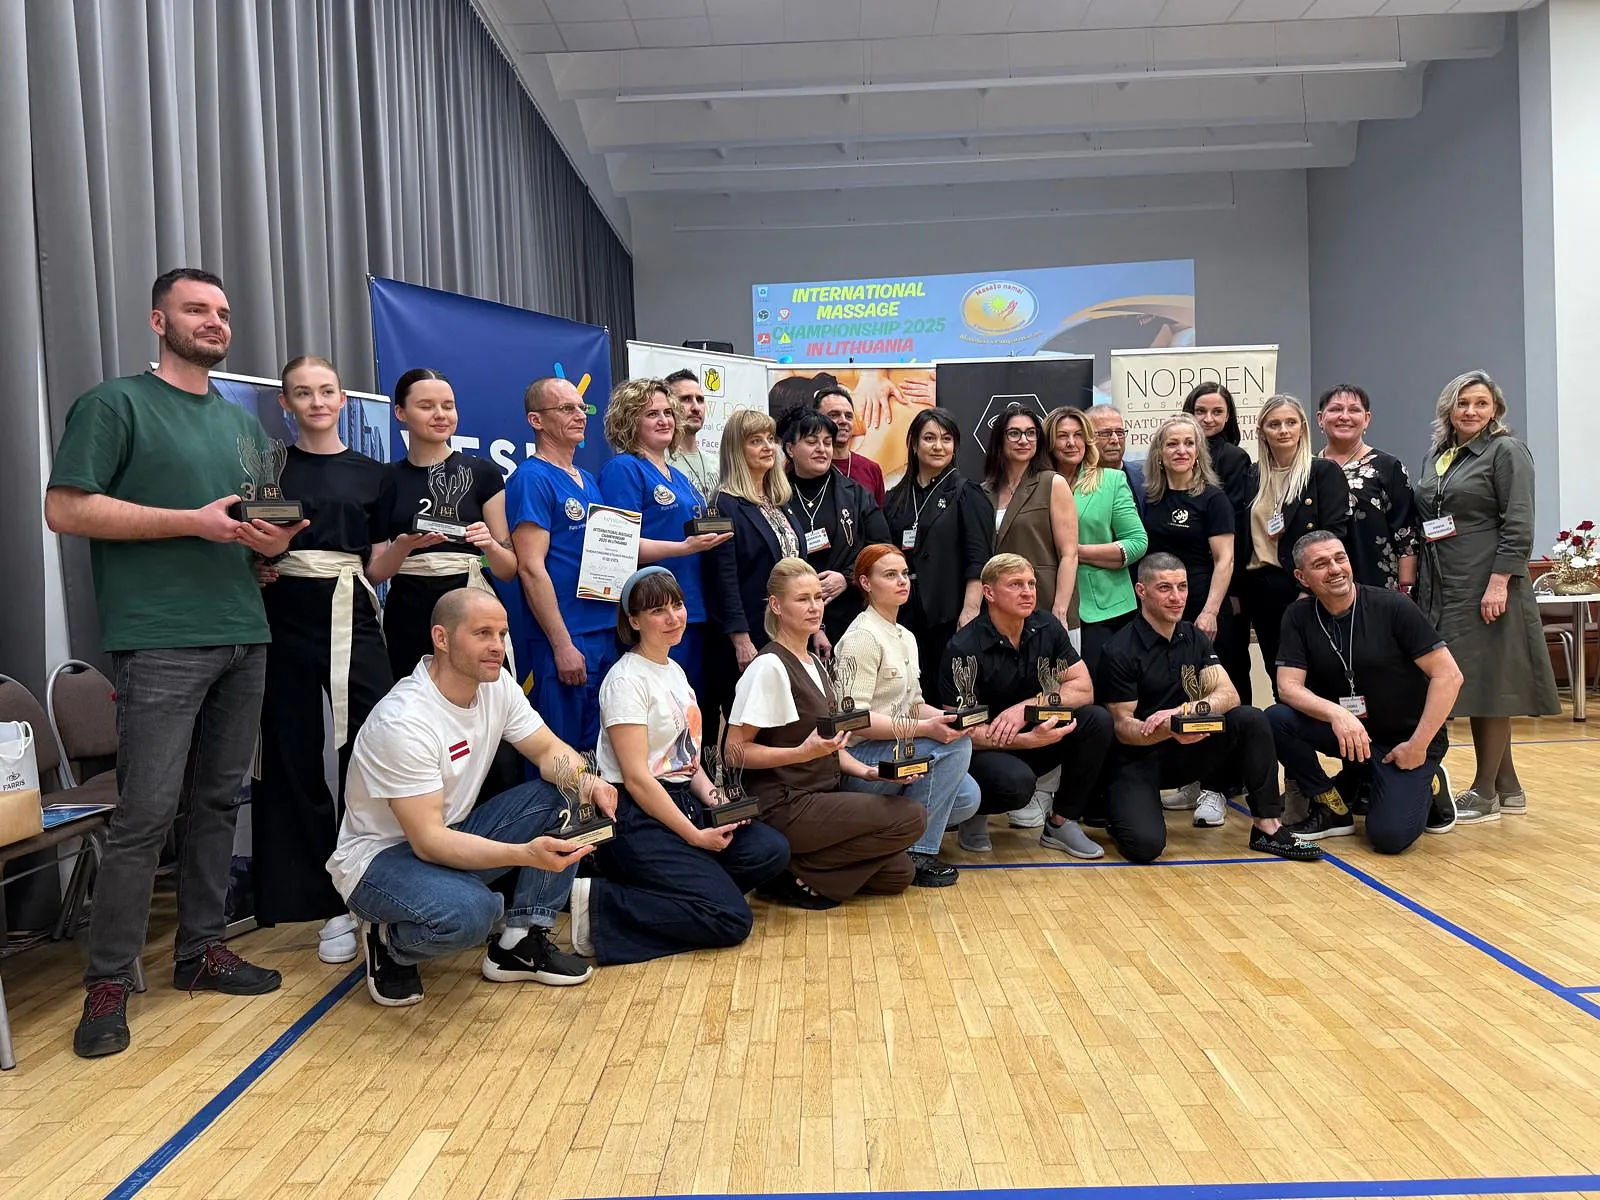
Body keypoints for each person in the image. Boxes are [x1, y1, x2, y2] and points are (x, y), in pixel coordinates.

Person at [45, 267, 308, 1058]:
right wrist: (190, 522)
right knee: (145, 814)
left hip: (243, 628)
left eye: (222, 311)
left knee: (219, 803)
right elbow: (65, 507)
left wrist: (267, 548)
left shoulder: (243, 427)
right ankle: (109, 982)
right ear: (159, 321)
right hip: (160, 635)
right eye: (197, 310)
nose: (215, 321)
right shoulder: (114, 404)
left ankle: (200, 951)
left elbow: (248, 527)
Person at [329, 589, 612, 1007]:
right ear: (441, 638)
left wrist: (588, 782)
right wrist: (525, 854)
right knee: (473, 914)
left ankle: (520, 943)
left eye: (502, 634)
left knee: (566, 793)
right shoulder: (403, 721)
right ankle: (389, 939)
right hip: (379, 860)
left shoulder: (497, 686)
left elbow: (547, 751)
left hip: (449, 834)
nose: (497, 646)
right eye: (483, 633)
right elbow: (429, 842)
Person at [252, 356, 391, 966]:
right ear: (285, 403)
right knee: (293, 751)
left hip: (351, 612)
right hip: (284, 614)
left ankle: (370, 883)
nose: (316, 402)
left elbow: (378, 564)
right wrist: (257, 566)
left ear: (343, 399)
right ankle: (317, 900)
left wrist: (406, 547)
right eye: (303, 393)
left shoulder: (374, 473)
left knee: (369, 747)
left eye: (326, 391)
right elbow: (249, 540)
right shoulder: (269, 469)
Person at [578, 567, 790, 963]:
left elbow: (687, 762)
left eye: (677, 605)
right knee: (731, 919)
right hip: (638, 814)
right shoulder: (625, 681)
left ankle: (690, 891)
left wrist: (718, 801)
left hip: (682, 801)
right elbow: (637, 779)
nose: (673, 617)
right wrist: (695, 837)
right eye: (657, 611)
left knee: (769, 849)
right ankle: (600, 905)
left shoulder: (674, 671)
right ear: (634, 621)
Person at [1095, 553, 1322, 864]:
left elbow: (1229, 694)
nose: (1177, 597)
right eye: (1164, 588)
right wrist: (1166, 729)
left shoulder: (1193, 636)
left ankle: (1267, 827)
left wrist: (1185, 713)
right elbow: (1123, 728)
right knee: (1144, 847)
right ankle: (1117, 810)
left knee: (1250, 719)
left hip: (1189, 749)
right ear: (1141, 591)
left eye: (1182, 587)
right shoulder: (1119, 649)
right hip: (1139, 758)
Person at [724, 559, 927, 907]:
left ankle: (802, 869)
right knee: (912, 817)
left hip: (820, 796)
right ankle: (786, 871)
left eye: (818, 597)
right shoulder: (769, 666)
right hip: (784, 803)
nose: (814, 607)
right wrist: (800, 754)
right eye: (802, 599)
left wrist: (869, 772)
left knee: (899, 873)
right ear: (776, 605)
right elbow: (733, 751)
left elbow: (828, 745)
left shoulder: (815, 661)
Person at [1416, 370, 1560, 821]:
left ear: (1495, 408)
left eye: (1481, 403)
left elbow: (1519, 522)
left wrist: (1499, 582)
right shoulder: (1439, 455)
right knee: (1478, 681)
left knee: (1491, 683)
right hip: (1446, 581)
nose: (1472, 411)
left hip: (1487, 582)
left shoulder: (1506, 451)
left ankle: (1483, 791)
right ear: (1448, 409)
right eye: (1463, 403)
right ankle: (1508, 786)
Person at [1267, 532, 1463, 850]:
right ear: (1302, 577)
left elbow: (1449, 676)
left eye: (1340, 558)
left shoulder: (1393, 606)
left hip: (1406, 741)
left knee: (1389, 838)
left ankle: (1431, 781)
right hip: (1352, 736)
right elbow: (1288, 687)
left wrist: (1419, 745)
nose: (1335, 569)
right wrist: (1337, 714)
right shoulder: (1298, 616)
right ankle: (1331, 807)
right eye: (1321, 564)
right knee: (1276, 719)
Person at [937, 555, 1115, 858]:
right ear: (989, 593)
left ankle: (1061, 822)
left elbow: (1083, 688)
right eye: (1016, 584)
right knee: (1016, 785)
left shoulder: (1047, 626)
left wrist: (1027, 708)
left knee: (1096, 720)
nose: (1028, 592)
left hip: (1038, 734)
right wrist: (1024, 740)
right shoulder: (964, 647)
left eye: (1031, 583)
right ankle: (975, 812)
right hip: (986, 750)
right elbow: (960, 731)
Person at [833, 544, 980, 886]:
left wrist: (949, 719)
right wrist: (925, 728)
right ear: (865, 583)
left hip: (897, 748)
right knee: (956, 752)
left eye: (904, 574)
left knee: (967, 797)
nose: (902, 581)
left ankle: (889, 838)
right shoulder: (862, 637)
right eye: (890, 575)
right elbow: (853, 721)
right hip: (860, 760)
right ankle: (918, 853)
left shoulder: (906, 636)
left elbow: (914, 703)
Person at [367, 369, 516, 681]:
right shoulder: (384, 478)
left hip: (471, 602)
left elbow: (506, 568)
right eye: (426, 406)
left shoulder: (483, 473)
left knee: (483, 696)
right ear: (400, 413)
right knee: (414, 698)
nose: (440, 414)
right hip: (408, 610)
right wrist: (402, 547)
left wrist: (488, 546)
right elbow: (375, 572)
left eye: (448, 406)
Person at [504, 376, 619, 751]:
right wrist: (562, 643)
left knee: (602, 753)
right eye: (566, 408)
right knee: (561, 756)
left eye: (582, 407)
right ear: (536, 420)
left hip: (605, 631)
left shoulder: (586, 478)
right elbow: (530, 567)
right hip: (568, 638)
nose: (580, 415)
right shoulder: (531, 478)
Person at [598, 378, 732, 697]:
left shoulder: (679, 476)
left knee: (692, 708)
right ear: (629, 421)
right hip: (654, 611)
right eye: (652, 414)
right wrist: (683, 548)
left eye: (668, 413)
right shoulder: (624, 469)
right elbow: (618, 546)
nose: (664, 420)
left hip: (692, 608)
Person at [1238, 395, 1350, 701]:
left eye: (1290, 423)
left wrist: (1309, 589)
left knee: (1316, 675)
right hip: (1261, 588)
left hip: (1305, 586)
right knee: (1279, 677)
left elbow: (1334, 534)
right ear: (1262, 432)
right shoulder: (1252, 476)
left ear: (1303, 428)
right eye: (1274, 424)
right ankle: (1289, 733)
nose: (1283, 430)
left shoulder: (1322, 472)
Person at [703, 408, 806, 726]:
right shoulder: (723, 504)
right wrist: (740, 639)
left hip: (788, 633)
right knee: (755, 727)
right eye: (755, 440)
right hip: (751, 635)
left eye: (770, 439)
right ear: (736, 450)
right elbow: (723, 579)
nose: (767, 447)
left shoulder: (780, 501)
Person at [882, 408, 995, 695]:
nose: (938, 446)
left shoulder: (967, 493)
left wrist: (970, 611)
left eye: (946, 439)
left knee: (951, 692)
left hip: (950, 612)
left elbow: (979, 560)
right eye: (929, 438)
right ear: (914, 444)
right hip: (903, 612)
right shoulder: (893, 498)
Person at [777, 405, 890, 651]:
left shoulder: (856, 495)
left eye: (827, 442)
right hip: (790, 619)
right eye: (812, 442)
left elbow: (882, 549)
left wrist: (847, 577)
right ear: (790, 449)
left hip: (848, 615)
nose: (822, 449)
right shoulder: (775, 497)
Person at [1046, 405, 1147, 677]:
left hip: (1105, 610)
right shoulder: (1034, 485)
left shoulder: (1111, 481)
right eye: (1062, 436)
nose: (1071, 443)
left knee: (1106, 692)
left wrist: (1074, 553)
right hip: (1045, 601)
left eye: (1078, 435)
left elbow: (1137, 542)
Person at [1183, 383, 1256, 700]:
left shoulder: (1234, 458)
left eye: (1217, 412)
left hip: (1224, 580)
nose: (1208, 419)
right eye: (1200, 411)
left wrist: (1235, 590)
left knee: (1230, 665)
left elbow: (1238, 528)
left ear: (1229, 417)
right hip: (1185, 580)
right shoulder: (1176, 455)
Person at [1140, 415, 1234, 644]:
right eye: (1172, 444)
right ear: (1159, 454)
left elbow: (1225, 560)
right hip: (1159, 607)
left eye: (1189, 443)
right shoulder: (1149, 498)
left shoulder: (1213, 498)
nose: (1181, 450)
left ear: (1198, 452)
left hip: (1202, 605)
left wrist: (1210, 612)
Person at [983, 403, 1078, 628]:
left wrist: (1060, 610)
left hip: (1045, 602)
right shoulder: (984, 491)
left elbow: (1069, 554)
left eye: (1031, 433)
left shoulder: (1053, 483)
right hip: (998, 608)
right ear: (1000, 439)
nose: (1024, 440)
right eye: (1014, 433)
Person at [1317, 384, 1419, 592]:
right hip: (1320, 587)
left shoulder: (1388, 467)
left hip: (1377, 587)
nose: (1344, 416)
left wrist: (1406, 591)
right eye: (1336, 409)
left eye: (1354, 410)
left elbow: (1406, 535)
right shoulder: (1308, 469)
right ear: (1320, 418)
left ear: (1366, 419)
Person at [814, 380, 886, 503]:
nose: (843, 421)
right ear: (816, 420)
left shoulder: (871, 469)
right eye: (834, 415)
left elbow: (879, 513)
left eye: (848, 416)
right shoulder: (806, 467)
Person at [664, 369, 718, 504]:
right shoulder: (658, 463)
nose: (696, 408)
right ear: (668, 406)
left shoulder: (718, 463)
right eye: (686, 399)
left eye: (700, 400)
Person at [1087, 404, 1145, 517]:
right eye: (1105, 433)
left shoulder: (1144, 476)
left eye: (1119, 433)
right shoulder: (1075, 480)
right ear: (1087, 437)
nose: (1115, 440)